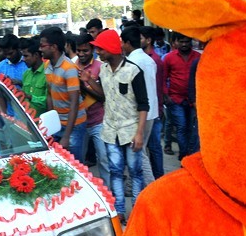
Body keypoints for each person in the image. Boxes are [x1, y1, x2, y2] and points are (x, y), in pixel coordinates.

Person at [84, 29, 149, 224]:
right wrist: (89, 83)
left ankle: (137, 210)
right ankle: (119, 210)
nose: (98, 53)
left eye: (100, 49)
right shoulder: (103, 70)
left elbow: (144, 104)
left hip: (130, 131)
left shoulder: (134, 71)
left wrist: (139, 134)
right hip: (110, 130)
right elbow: (104, 94)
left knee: (135, 172)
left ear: (111, 49)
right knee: (115, 171)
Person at [122, 26, 163, 181]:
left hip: (139, 112)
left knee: (138, 152)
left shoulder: (132, 62)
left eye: (122, 42)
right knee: (140, 150)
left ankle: (151, 187)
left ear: (127, 43)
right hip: (150, 112)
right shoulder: (149, 59)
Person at [39, 26, 86, 163]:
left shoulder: (69, 68)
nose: (40, 49)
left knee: (76, 165)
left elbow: (74, 103)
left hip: (75, 125)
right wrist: (50, 122)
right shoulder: (47, 65)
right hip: (58, 123)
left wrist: (66, 135)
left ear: (53, 47)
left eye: (43, 46)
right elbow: (49, 94)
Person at [75, 34, 109, 188]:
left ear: (93, 50)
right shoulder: (72, 67)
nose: (81, 54)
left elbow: (103, 96)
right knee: (78, 162)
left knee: (103, 159)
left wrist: (84, 85)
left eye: (85, 51)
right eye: (78, 51)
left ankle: (109, 193)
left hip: (98, 121)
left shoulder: (101, 67)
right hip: (78, 123)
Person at [161, 33, 201, 159]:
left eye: (186, 41)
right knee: (181, 127)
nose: (184, 44)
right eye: (181, 41)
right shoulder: (169, 58)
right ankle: (184, 155)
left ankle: (190, 155)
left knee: (191, 128)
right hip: (176, 99)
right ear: (175, 42)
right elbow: (163, 78)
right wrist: (166, 96)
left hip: (193, 100)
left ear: (191, 42)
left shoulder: (198, 57)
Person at [20, 38, 48, 116]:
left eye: (26, 56)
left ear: (36, 55)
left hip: (44, 123)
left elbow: (49, 102)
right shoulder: (26, 74)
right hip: (28, 121)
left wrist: (29, 97)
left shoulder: (48, 73)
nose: (23, 59)